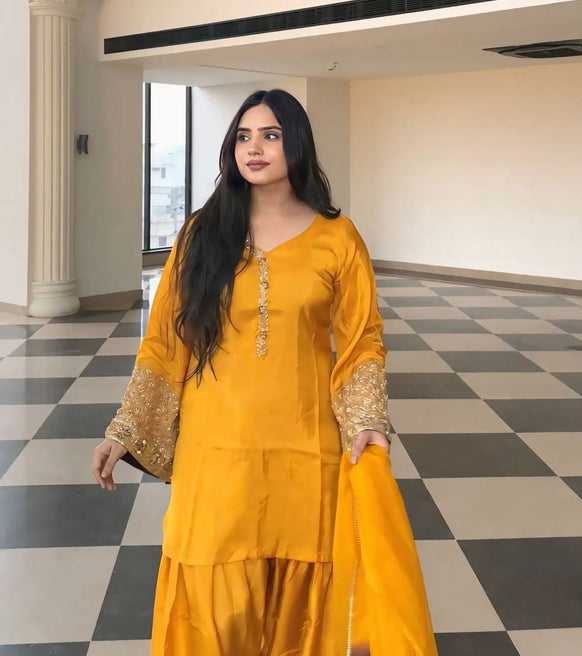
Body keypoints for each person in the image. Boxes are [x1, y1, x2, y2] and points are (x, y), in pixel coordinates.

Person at [92, 89, 436, 656]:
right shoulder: (202, 234)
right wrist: (124, 428)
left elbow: (360, 342)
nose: (254, 148)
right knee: (210, 592)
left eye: (270, 135)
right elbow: (164, 342)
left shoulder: (338, 238)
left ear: (295, 145)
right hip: (216, 449)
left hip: (306, 446)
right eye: (243, 136)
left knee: (304, 590)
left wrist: (367, 421)